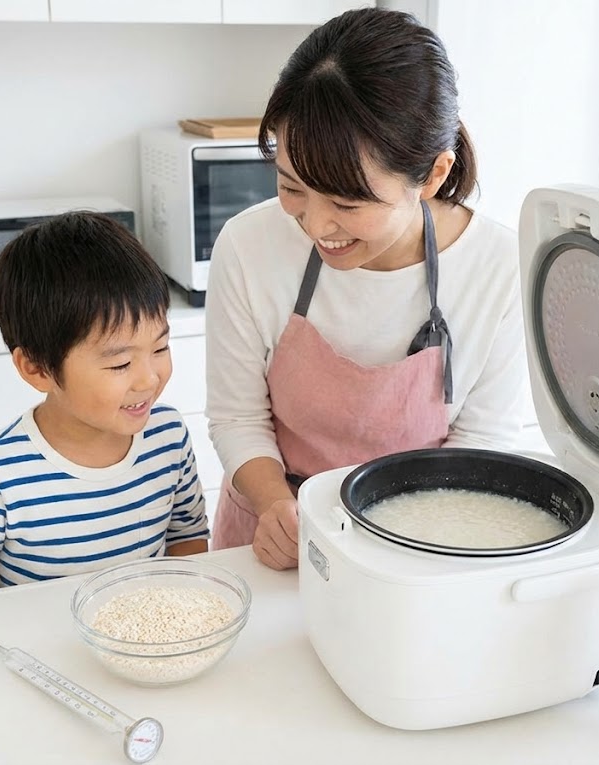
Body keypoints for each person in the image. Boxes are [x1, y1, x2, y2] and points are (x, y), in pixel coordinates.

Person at [204, 8, 529, 571]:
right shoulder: (248, 244)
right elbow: (237, 418)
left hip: (419, 546)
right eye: (291, 187)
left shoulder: (498, 266)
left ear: (431, 175)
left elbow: (483, 441)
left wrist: (396, 545)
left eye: (348, 203)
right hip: (271, 538)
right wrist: (277, 506)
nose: (315, 224)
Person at [0, 212, 209, 596]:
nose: (149, 378)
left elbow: (187, 540)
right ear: (38, 369)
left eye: (159, 347)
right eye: (120, 363)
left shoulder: (168, 437)